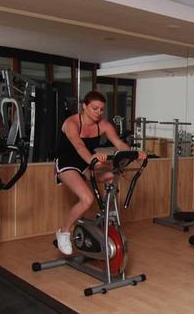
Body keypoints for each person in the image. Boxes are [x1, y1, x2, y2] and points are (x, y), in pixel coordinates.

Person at [54, 90, 145, 254]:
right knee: (87, 199)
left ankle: (104, 215)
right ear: (84, 106)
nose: (98, 112)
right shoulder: (72, 123)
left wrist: (135, 154)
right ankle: (64, 231)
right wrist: (93, 160)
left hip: (87, 164)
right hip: (67, 165)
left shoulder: (103, 125)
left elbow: (119, 143)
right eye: (95, 108)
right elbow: (79, 146)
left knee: (112, 176)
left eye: (101, 109)